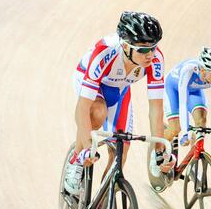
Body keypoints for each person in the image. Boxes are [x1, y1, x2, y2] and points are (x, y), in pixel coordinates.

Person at [63, 11, 173, 196]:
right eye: (143, 49)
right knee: (97, 113)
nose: (150, 54)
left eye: (153, 47)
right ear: (125, 46)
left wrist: (159, 151)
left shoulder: (156, 59)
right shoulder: (105, 51)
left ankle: (102, 208)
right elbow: (82, 108)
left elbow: (156, 108)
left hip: (120, 89)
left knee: (121, 150)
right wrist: (88, 145)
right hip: (92, 83)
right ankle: (75, 163)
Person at [162, 47, 211, 164]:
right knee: (176, 128)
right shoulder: (188, 71)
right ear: (202, 70)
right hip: (174, 89)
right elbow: (183, 104)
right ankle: (156, 154)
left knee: (201, 120)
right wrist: (185, 133)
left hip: (194, 91)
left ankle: (193, 159)